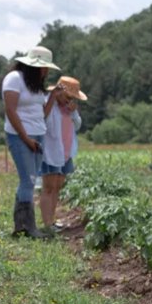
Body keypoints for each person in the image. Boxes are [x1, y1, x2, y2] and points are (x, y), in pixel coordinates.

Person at [1, 45, 59, 237]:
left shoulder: (36, 85)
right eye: (44, 67)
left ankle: (21, 226)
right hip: (19, 135)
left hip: (38, 134)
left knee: (30, 180)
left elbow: (41, 114)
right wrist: (26, 139)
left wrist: (53, 97)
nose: (47, 71)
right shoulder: (14, 79)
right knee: (29, 180)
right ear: (34, 66)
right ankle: (29, 227)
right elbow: (10, 110)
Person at [39, 76, 85, 235]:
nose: (69, 100)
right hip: (50, 151)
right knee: (49, 187)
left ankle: (51, 220)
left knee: (57, 186)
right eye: (67, 96)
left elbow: (78, 126)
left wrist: (74, 113)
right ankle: (46, 224)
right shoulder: (48, 103)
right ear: (58, 92)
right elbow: (42, 120)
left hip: (65, 151)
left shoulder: (69, 108)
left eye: (72, 98)